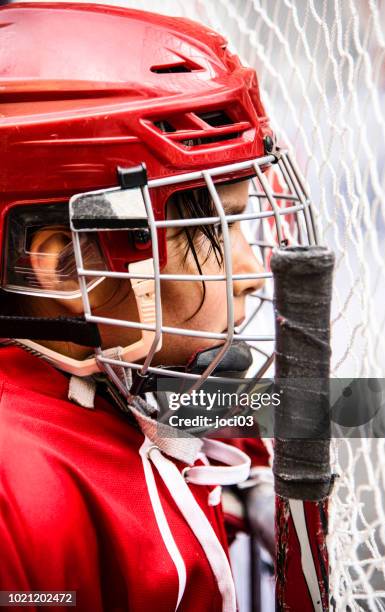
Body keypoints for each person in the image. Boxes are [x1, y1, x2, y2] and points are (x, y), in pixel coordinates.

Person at [0, 3, 310, 610]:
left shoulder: (114, 385)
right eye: (213, 232)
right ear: (66, 265)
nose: (251, 272)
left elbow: (332, 412)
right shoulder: (18, 493)